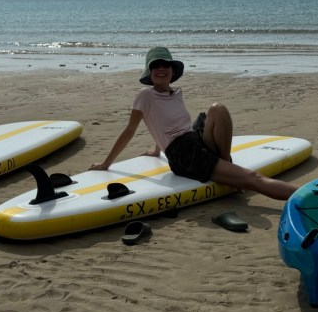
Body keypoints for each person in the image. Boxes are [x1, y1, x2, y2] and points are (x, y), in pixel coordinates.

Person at [89, 47, 298, 201]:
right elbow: (130, 130)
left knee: (218, 109)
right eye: (156, 66)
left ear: (172, 69)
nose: (161, 69)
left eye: (165, 65)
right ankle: (307, 196)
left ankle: (227, 166)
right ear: (149, 72)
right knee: (253, 178)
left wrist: (156, 150)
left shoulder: (175, 93)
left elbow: (162, 123)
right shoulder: (145, 96)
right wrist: (106, 164)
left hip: (194, 140)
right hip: (184, 155)